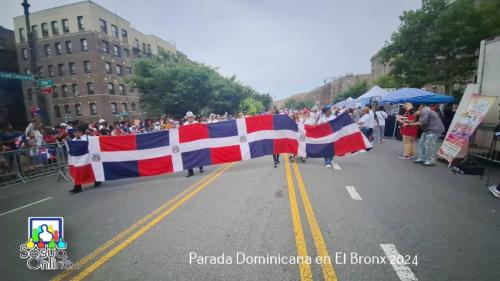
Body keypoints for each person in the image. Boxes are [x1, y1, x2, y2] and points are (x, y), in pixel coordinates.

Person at [69, 126, 101, 193]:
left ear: (80, 132)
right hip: (76, 159)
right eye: (74, 132)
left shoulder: (88, 138)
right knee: (77, 172)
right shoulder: (73, 140)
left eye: (76, 132)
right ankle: (77, 187)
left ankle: (97, 180)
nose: (74, 133)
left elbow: (97, 141)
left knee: (91, 170)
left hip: (87, 158)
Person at [184, 111, 204, 177]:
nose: (190, 118)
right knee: (189, 157)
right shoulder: (185, 125)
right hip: (189, 143)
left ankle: (200, 166)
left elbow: (201, 131)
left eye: (191, 117)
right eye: (188, 117)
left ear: (193, 117)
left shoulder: (196, 123)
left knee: (198, 155)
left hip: (196, 142)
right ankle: (190, 171)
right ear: (187, 118)